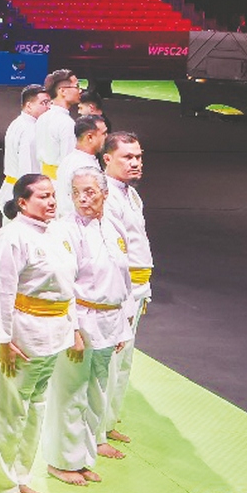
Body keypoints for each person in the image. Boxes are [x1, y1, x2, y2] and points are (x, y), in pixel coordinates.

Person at [0, 172, 77, 493]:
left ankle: (21, 475)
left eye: (53, 195)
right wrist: (3, 339)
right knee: (11, 412)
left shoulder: (57, 233)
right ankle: (3, 483)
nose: (51, 201)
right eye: (42, 196)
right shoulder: (11, 237)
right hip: (22, 334)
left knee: (35, 409)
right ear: (22, 202)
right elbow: (1, 291)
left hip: (54, 332)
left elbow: (68, 286)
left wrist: (72, 328)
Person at [46, 169, 131, 487]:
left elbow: (123, 278)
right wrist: (72, 329)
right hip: (81, 318)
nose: (82, 199)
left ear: (105, 194)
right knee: (71, 391)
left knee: (97, 390)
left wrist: (122, 326)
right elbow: (62, 283)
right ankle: (62, 461)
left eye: (90, 192)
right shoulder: (64, 230)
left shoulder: (113, 226)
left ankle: (84, 457)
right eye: (76, 192)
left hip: (110, 319)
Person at [102, 131, 149, 448]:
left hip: (139, 284)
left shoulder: (131, 194)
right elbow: (113, 251)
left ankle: (107, 423)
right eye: (127, 157)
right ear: (108, 159)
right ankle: (95, 432)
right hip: (121, 288)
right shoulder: (107, 197)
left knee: (124, 364)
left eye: (138, 156)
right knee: (109, 364)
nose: (135, 162)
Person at [0, 85, 49, 219]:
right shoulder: (30, 131)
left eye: (49, 103)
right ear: (29, 106)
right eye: (43, 103)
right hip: (22, 193)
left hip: (12, 188)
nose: (48, 107)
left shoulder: (18, 123)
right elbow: (28, 170)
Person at [34, 70, 81, 180]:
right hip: (60, 182)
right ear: (63, 91)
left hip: (44, 179)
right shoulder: (66, 122)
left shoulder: (42, 117)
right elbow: (69, 162)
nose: (80, 90)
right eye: (77, 86)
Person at [53, 114, 107, 203]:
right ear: (90, 137)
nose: (106, 137)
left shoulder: (68, 160)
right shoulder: (84, 166)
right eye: (104, 133)